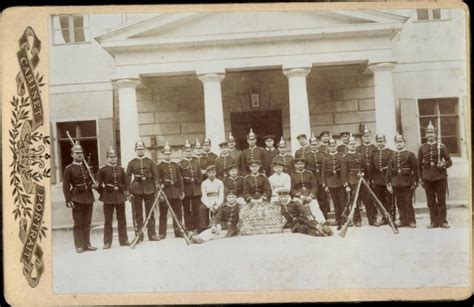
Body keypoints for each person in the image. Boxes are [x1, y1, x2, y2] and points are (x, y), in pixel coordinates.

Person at [62, 143, 97, 253]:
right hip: (77, 197)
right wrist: (68, 200)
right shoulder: (69, 169)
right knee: (78, 223)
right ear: (72, 155)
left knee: (87, 222)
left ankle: (87, 244)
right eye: (77, 153)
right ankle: (79, 245)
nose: (79, 155)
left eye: (81, 153)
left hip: (88, 196)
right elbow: (66, 185)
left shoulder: (87, 167)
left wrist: (94, 184)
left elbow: (91, 181)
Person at [418, 121, 453, 228]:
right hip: (427, 178)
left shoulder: (441, 147)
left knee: (441, 200)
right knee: (431, 201)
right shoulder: (422, 148)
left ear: (435, 134)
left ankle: (443, 221)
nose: (430, 134)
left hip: (440, 178)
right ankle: (433, 221)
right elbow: (418, 165)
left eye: (432, 132)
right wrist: (420, 178)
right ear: (425, 134)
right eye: (428, 132)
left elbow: (449, 161)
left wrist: (443, 164)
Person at [126, 141, 160, 242]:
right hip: (136, 189)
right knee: (138, 213)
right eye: (138, 149)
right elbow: (127, 177)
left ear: (144, 150)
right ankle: (139, 235)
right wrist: (129, 191)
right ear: (135, 150)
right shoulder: (131, 163)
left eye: (142, 148)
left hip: (149, 189)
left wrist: (156, 187)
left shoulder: (150, 162)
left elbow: (155, 175)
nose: (140, 150)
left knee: (150, 213)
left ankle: (152, 234)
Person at [96, 147, 129, 249]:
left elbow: (125, 183)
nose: (113, 159)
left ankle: (123, 240)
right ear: (107, 158)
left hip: (120, 196)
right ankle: (107, 242)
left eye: (114, 157)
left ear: (117, 158)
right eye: (110, 157)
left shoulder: (121, 169)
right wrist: (104, 193)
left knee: (122, 219)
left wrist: (124, 191)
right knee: (108, 221)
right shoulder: (102, 170)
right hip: (108, 197)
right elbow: (98, 185)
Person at [386, 134, 418, 228]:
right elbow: (388, 171)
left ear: (404, 142)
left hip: (407, 183)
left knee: (408, 202)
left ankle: (411, 220)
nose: (399, 144)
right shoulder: (393, 155)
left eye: (400, 142)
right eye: (397, 142)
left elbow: (415, 169)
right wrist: (388, 183)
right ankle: (402, 220)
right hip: (396, 183)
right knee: (399, 203)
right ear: (395, 143)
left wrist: (414, 181)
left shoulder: (410, 154)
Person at [156, 142, 185, 239]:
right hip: (165, 193)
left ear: (171, 154)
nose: (167, 155)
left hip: (176, 192)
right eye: (166, 153)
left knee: (178, 213)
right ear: (163, 154)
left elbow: (180, 179)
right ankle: (162, 233)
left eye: (169, 153)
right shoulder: (160, 166)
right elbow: (157, 181)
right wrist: (159, 194)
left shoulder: (175, 165)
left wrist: (182, 192)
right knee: (163, 214)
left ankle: (178, 231)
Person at [341, 136, 370, 227]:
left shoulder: (360, 155)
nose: (353, 146)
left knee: (368, 200)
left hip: (362, 181)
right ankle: (357, 220)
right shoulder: (345, 157)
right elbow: (343, 172)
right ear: (348, 145)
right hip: (352, 181)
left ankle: (372, 219)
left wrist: (365, 176)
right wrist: (346, 185)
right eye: (351, 144)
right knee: (355, 202)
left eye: (354, 144)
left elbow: (365, 168)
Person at [322, 138, 347, 229]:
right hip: (331, 183)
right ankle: (338, 219)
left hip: (340, 182)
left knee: (342, 202)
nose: (332, 148)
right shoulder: (325, 158)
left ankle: (344, 219)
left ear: (336, 146)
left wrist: (345, 182)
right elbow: (323, 172)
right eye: (330, 146)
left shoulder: (341, 156)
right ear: (328, 147)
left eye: (333, 146)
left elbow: (344, 170)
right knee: (335, 202)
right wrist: (325, 184)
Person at [179, 139, 203, 233]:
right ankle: (189, 227)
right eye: (186, 151)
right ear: (183, 152)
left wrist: (196, 181)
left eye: (189, 151)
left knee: (196, 209)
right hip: (186, 189)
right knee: (186, 209)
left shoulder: (195, 163)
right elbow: (180, 178)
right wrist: (183, 190)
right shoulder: (180, 164)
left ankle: (197, 227)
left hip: (195, 190)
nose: (188, 153)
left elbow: (200, 176)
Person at [304, 133, 330, 219]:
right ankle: (316, 218)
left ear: (318, 144)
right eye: (312, 145)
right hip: (312, 180)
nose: (314, 146)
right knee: (314, 200)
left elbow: (326, 167)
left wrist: (325, 181)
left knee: (323, 199)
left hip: (321, 179)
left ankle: (325, 218)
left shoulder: (323, 154)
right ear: (310, 145)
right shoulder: (306, 155)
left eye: (315, 144)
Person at [356, 126, 377, 225]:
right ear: (362, 138)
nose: (366, 137)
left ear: (371, 136)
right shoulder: (358, 149)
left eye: (368, 135)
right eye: (364, 136)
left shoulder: (375, 148)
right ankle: (357, 220)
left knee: (372, 199)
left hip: (373, 177)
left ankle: (373, 219)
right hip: (361, 178)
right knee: (361, 198)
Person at [372, 134, 394, 227]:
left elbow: (391, 167)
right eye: (378, 141)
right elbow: (372, 167)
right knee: (379, 199)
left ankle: (390, 217)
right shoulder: (374, 153)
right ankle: (383, 217)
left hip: (387, 177)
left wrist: (389, 180)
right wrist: (373, 178)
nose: (380, 143)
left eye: (381, 141)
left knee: (389, 198)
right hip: (377, 179)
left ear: (385, 141)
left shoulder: (390, 152)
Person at [199, 165, 225, 232]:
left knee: (222, 207)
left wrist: (218, 204)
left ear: (215, 173)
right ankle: (204, 227)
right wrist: (209, 206)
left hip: (217, 199)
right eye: (210, 173)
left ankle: (219, 225)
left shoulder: (220, 182)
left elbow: (221, 194)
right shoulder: (204, 183)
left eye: (213, 172)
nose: (211, 174)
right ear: (207, 174)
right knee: (202, 208)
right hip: (208, 200)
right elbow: (204, 196)